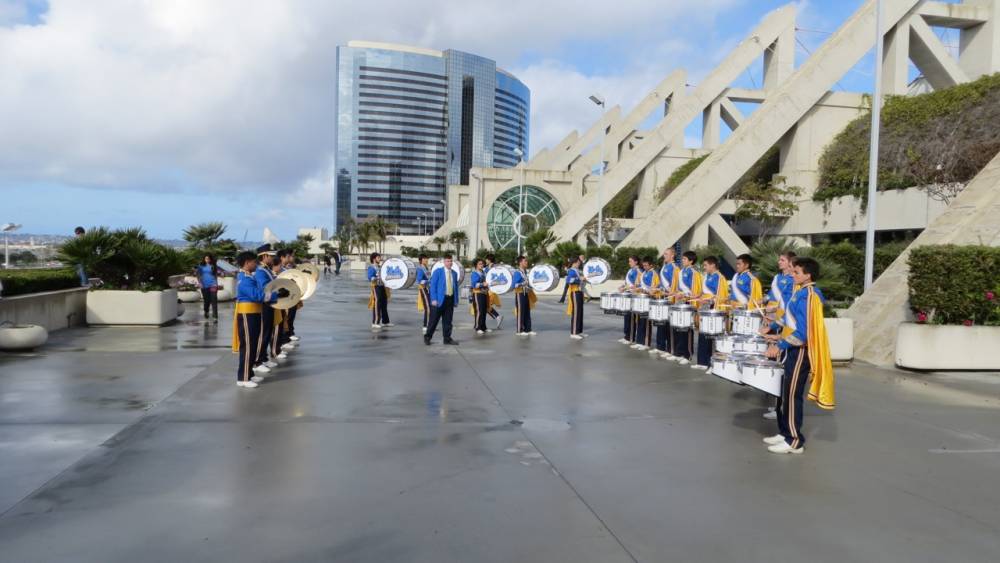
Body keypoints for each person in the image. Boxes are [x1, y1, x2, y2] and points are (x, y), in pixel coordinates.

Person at [763, 256, 835, 455]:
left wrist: (780, 345)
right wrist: (773, 328)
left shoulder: (810, 295)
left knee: (793, 395)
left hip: (800, 352)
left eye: (796, 272)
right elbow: (788, 318)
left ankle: (794, 440)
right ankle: (784, 431)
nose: (792, 274)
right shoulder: (800, 291)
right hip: (791, 349)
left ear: (808, 275)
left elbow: (803, 332)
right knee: (783, 393)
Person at [232, 251, 286, 389]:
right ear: (246, 263)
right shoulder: (243, 279)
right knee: (248, 346)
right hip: (247, 314)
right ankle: (243, 378)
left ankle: (248, 373)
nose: (256, 264)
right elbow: (256, 295)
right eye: (253, 262)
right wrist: (276, 296)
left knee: (254, 344)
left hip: (254, 313)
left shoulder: (250, 276)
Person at [761, 250, 797, 420]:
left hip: (792, 335)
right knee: (781, 369)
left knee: (787, 374)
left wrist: (780, 341)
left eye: (785, 262)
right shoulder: (779, 279)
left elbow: (796, 319)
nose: (781, 264)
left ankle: (781, 411)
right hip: (783, 326)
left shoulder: (799, 289)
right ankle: (778, 406)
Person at [694, 256, 729, 371]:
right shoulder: (707, 276)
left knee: (713, 337)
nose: (704, 267)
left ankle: (712, 365)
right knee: (703, 334)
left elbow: (722, 296)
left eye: (705, 265)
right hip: (705, 308)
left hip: (713, 309)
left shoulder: (720, 278)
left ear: (713, 265)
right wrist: (698, 296)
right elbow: (704, 292)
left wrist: (708, 300)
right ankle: (702, 361)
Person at [670, 251, 702, 365]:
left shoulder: (694, 273)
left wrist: (684, 295)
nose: (682, 261)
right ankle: (678, 352)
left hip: (688, 304)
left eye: (684, 259)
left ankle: (687, 354)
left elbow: (696, 292)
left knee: (687, 330)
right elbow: (680, 288)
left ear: (691, 261)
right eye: (682, 259)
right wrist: (676, 293)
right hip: (680, 302)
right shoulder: (682, 271)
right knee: (678, 327)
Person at [253, 245, 280, 373]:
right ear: (264, 256)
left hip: (269, 304)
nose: (273, 258)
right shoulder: (260, 271)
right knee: (263, 333)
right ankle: (257, 361)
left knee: (268, 332)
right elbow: (265, 289)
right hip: (264, 305)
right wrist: (277, 294)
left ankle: (263, 357)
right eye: (271, 255)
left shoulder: (266, 270)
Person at [424, 254, 459, 346]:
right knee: (433, 320)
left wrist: (455, 300)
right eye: (447, 261)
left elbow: (455, 288)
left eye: (451, 261)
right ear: (444, 262)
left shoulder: (454, 273)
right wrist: (434, 299)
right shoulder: (437, 272)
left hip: (450, 300)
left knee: (448, 321)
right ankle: (428, 337)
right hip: (438, 300)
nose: (449, 263)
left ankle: (447, 339)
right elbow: (433, 286)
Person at [630, 256, 660, 351]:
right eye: (643, 265)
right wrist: (635, 288)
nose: (645, 267)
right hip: (641, 299)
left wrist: (644, 290)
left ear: (651, 265)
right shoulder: (643, 273)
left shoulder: (654, 274)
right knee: (639, 321)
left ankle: (646, 343)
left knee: (646, 322)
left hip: (648, 299)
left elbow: (654, 289)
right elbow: (639, 285)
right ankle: (639, 341)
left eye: (646, 265)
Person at [656, 247, 680, 359]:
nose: (664, 256)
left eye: (666, 254)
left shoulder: (674, 267)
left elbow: (674, 286)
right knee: (663, 324)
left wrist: (670, 292)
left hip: (671, 300)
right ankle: (663, 347)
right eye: (664, 254)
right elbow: (662, 283)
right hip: (664, 298)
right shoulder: (665, 266)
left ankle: (671, 349)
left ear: (672, 256)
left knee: (670, 326)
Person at [618, 255, 641, 345]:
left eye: (630, 261)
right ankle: (627, 336)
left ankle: (631, 337)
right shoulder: (630, 270)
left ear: (636, 262)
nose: (629, 263)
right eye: (629, 261)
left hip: (634, 296)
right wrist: (622, 286)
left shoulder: (638, 271)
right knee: (627, 316)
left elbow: (637, 285)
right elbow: (627, 283)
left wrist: (626, 288)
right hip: (628, 295)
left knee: (631, 318)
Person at [511, 255, 537, 336]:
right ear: (520, 262)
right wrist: (522, 283)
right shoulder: (517, 272)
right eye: (525, 261)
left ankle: (528, 329)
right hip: (520, 294)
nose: (526, 262)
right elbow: (513, 285)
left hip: (526, 294)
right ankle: (520, 330)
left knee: (527, 312)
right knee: (521, 312)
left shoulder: (524, 272)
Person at [367, 252, 391, 329]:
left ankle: (385, 321)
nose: (380, 259)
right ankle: (375, 322)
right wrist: (374, 278)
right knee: (377, 303)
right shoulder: (371, 267)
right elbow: (370, 277)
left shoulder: (380, 267)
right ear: (374, 259)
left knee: (384, 303)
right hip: (376, 286)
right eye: (378, 257)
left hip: (383, 286)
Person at [566, 256, 587, 339]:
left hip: (579, 291)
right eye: (578, 262)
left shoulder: (577, 271)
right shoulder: (571, 271)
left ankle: (579, 331)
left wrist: (582, 279)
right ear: (574, 262)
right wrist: (579, 279)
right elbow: (569, 280)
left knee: (580, 312)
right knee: (576, 312)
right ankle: (574, 332)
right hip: (575, 292)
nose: (579, 264)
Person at [195, 253, 220, 321]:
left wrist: (216, 283)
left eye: (208, 259)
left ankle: (215, 317)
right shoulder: (201, 266)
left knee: (214, 300)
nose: (207, 260)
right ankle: (206, 311)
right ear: (204, 259)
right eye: (206, 259)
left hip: (213, 284)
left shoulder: (213, 266)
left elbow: (215, 275)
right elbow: (198, 275)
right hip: (204, 285)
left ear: (210, 259)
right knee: (206, 301)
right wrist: (200, 283)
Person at [483, 254, 504, 330]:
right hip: (487, 290)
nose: (485, 261)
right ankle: (497, 317)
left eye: (486, 259)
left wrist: (489, 268)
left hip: (490, 290)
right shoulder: (486, 268)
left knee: (485, 306)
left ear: (489, 260)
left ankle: (497, 317)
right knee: (486, 307)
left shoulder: (493, 268)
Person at [469, 259, 490, 334]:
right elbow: (474, 285)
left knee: (484, 311)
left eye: (482, 264)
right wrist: (482, 284)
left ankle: (483, 327)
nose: (482, 265)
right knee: (479, 311)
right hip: (477, 294)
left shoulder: (483, 272)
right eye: (480, 264)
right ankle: (478, 327)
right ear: (476, 265)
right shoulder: (474, 273)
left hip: (484, 293)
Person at [415, 254, 431, 334]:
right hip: (423, 289)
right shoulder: (420, 269)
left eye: (427, 259)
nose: (426, 260)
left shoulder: (426, 268)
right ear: (421, 260)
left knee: (430, 307)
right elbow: (419, 281)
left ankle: (428, 324)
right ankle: (425, 325)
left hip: (428, 289)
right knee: (427, 307)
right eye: (425, 259)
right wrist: (428, 281)